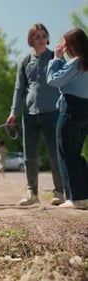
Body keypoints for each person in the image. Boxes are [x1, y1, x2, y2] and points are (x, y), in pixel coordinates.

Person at [5, 23, 64, 206]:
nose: (40, 39)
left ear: (47, 38)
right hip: (29, 114)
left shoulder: (56, 58)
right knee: (30, 155)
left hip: (53, 112)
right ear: (31, 40)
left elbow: (66, 81)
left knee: (55, 154)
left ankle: (60, 192)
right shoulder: (24, 61)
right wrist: (13, 112)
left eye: (43, 35)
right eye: (36, 36)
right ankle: (32, 192)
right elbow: (19, 88)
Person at [46, 28, 88, 209]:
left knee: (66, 153)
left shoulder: (77, 62)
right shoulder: (84, 63)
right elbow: (66, 76)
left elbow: (53, 80)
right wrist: (61, 61)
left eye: (65, 44)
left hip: (71, 108)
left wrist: (56, 58)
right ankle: (84, 195)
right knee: (76, 154)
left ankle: (75, 198)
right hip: (86, 110)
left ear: (71, 46)